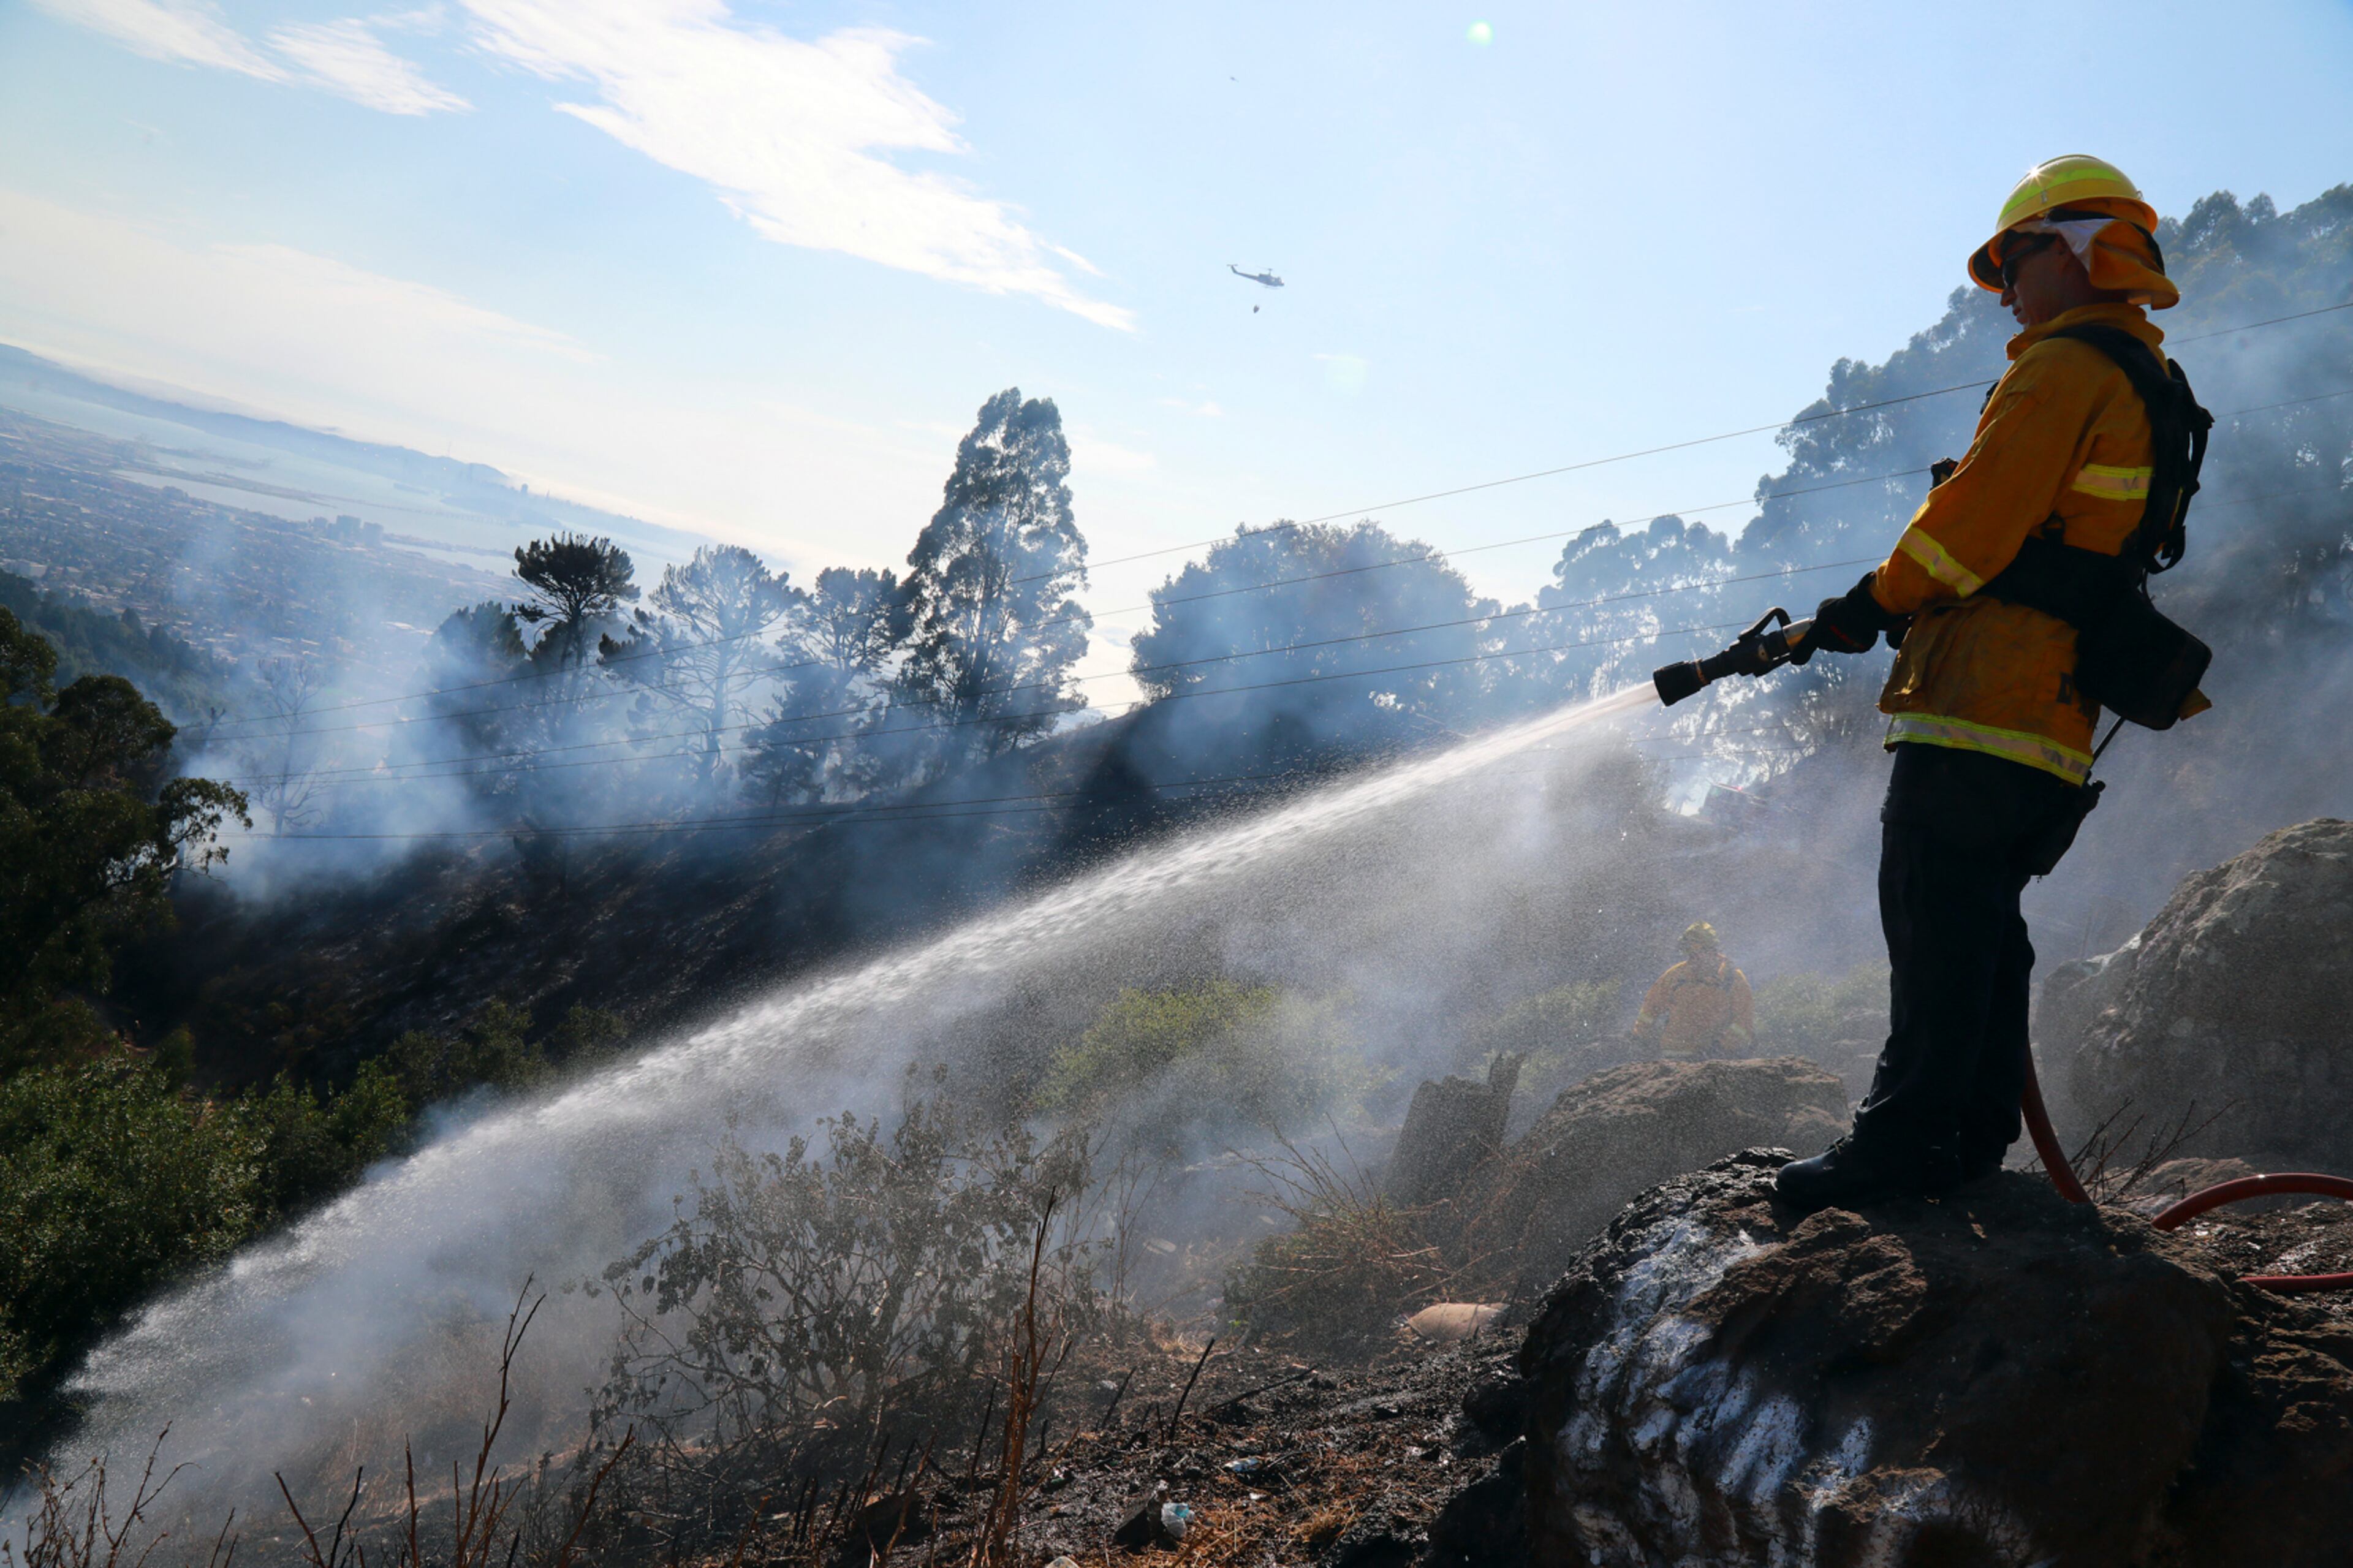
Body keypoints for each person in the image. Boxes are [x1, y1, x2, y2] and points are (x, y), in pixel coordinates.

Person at [1775, 155, 2208, 1210]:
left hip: (1988, 701)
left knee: (1932, 914)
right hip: (2050, 715)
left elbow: (1973, 521)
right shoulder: (2144, 376)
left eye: (2015, 261)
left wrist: (1871, 602)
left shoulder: (2062, 370)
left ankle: (1903, 1141)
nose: (2006, 290)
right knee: (1980, 926)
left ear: (2072, 251)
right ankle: (1969, 1133)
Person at [1632, 922, 1756, 1061]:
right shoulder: (1676, 975)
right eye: (1689, 954)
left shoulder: (1732, 979)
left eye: (1697, 953)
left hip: (1716, 1059)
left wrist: (1719, 1049)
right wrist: (1640, 1037)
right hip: (1674, 1056)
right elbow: (1650, 1008)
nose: (1692, 959)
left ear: (1711, 951)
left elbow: (1744, 1023)